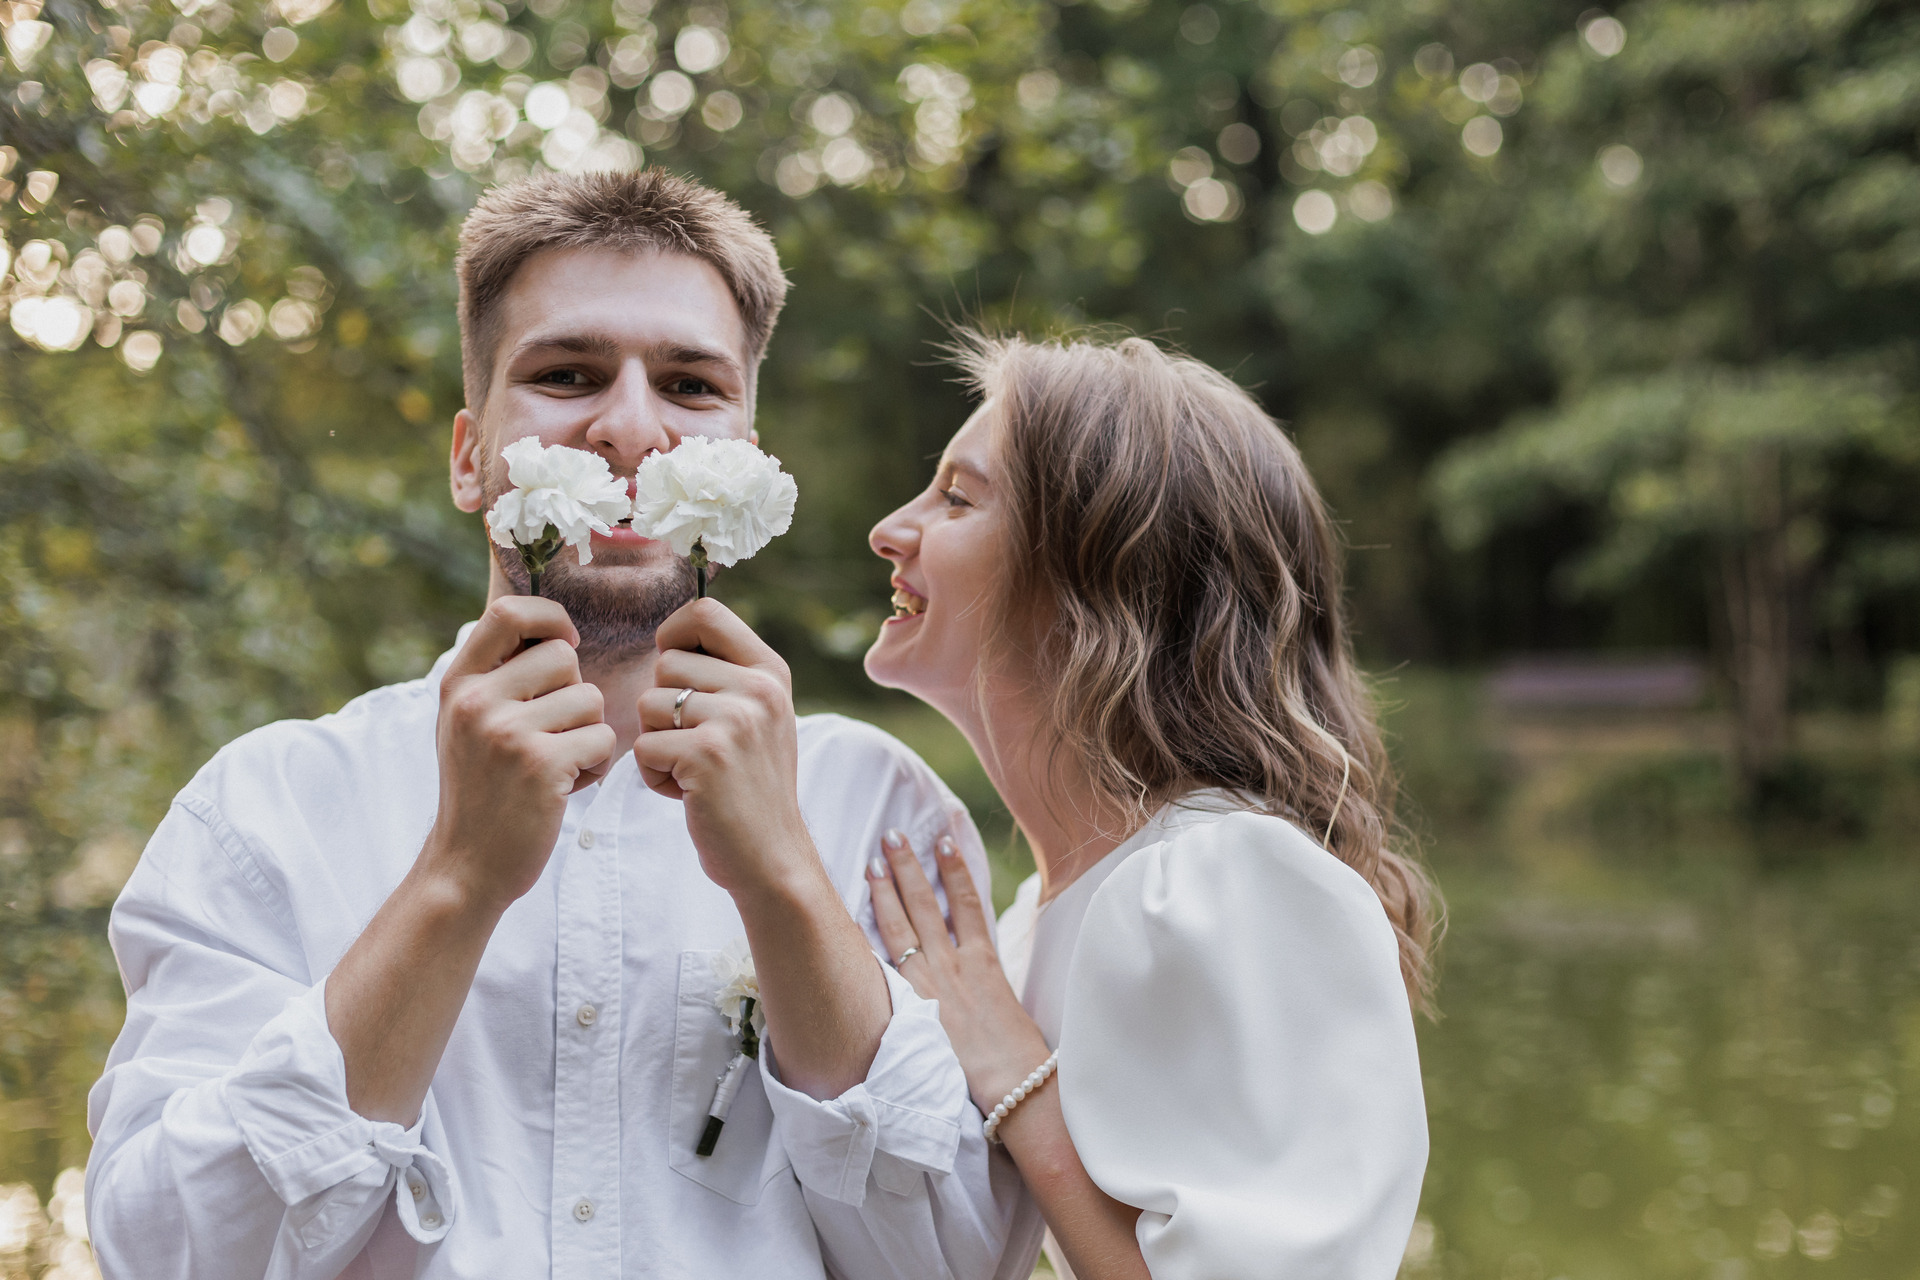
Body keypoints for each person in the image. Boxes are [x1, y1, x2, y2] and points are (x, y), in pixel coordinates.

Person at [82, 170, 1014, 1279]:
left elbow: (961, 1260)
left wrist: (787, 885)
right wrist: (456, 879)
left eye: (691, 386)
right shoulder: (264, 809)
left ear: (748, 451)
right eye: (568, 374)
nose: (630, 427)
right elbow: (167, 1254)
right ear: (469, 456)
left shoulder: (881, 812)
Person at [861, 332, 1438, 1279]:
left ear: (1090, 576)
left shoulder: (1229, 878)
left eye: (957, 498)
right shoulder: (1028, 926)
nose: (891, 527)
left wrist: (1012, 1073)